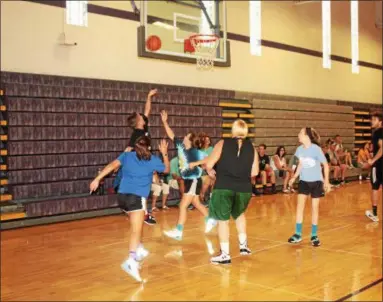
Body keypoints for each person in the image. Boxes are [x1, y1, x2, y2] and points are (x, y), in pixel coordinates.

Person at [90, 137, 170, 282]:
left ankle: (139, 248)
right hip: (136, 198)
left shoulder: (126, 156)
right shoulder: (151, 159)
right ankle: (131, 261)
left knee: (136, 225)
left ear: (134, 147)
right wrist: (164, 153)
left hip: (122, 197)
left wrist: (97, 179)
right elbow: (167, 169)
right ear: (150, 148)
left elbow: (111, 165)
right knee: (136, 230)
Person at [189, 120, 259, 265]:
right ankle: (243, 247)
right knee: (239, 215)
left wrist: (210, 171)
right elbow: (255, 172)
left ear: (233, 130)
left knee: (223, 221)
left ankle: (225, 255)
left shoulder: (222, 143)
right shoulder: (252, 147)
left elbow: (209, 164)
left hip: (224, 186)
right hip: (244, 189)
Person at [160, 110, 217, 241]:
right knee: (196, 202)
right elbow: (171, 135)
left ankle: (178, 231)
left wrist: (198, 164)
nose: (184, 137)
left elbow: (209, 158)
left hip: (193, 180)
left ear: (190, 141)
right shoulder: (181, 147)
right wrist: (164, 122)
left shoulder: (195, 152)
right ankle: (210, 219)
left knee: (183, 205)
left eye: (186, 136)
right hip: (188, 180)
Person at [114, 89, 158, 225]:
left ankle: (142, 213)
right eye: (140, 116)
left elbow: (147, 111)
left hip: (143, 164)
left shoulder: (143, 130)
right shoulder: (137, 134)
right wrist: (118, 164)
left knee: (143, 189)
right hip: (139, 165)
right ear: (138, 121)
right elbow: (128, 149)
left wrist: (148, 96)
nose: (143, 116)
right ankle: (143, 214)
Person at [287, 127, 330, 247]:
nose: (298, 134)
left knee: (314, 209)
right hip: (304, 182)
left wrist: (326, 181)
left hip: (316, 182)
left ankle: (314, 235)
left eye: (300, 132)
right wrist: (294, 177)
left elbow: (326, 165)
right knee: (299, 207)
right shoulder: (299, 149)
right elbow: (300, 164)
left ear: (307, 136)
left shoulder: (316, 149)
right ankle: (297, 234)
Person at [365, 113, 383, 222]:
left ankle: (375, 214)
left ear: (380, 122)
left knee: (375, 187)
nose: (372, 121)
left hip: (379, 165)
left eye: (374, 119)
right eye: (371, 119)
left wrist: (373, 160)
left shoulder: (378, 132)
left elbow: (382, 149)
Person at [198, 133, 215, 205]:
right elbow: (200, 163)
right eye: (206, 140)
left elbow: (213, 160)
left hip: (210, 169)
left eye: (209, 140)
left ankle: (209, 197)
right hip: (202, 170)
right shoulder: (199, 151)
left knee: (213, 179)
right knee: (210, 178)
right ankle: (202, 196)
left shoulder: (212, 149)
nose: (208, 141)